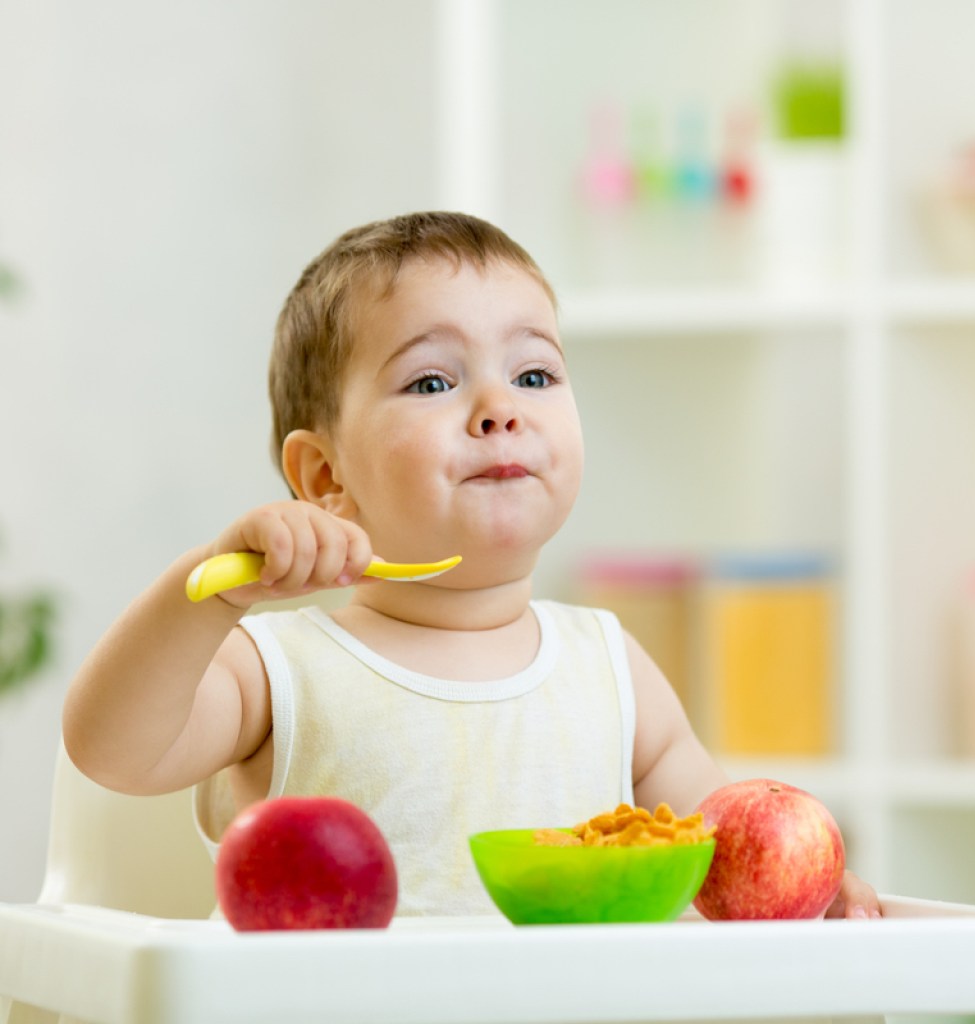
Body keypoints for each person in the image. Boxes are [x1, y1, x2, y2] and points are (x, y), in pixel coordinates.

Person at [62, 211, 881, 919]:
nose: (501, 409)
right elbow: (112, 749)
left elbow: (724, 857)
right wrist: (210, 591)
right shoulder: (279, 671)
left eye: (534, 373)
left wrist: (810, 888)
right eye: (431, 381)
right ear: (324, 478)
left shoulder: (612, 669)